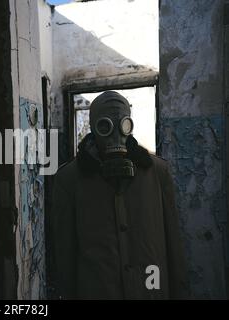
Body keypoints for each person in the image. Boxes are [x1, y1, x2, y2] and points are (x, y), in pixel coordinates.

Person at [50, 91, 189, 299]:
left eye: (123, 125)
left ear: (129, 126)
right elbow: (65, 257)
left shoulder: (157, 172)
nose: (116, 135)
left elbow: (173, 247)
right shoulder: (69, 179)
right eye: (105, 126)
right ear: (93, 127)